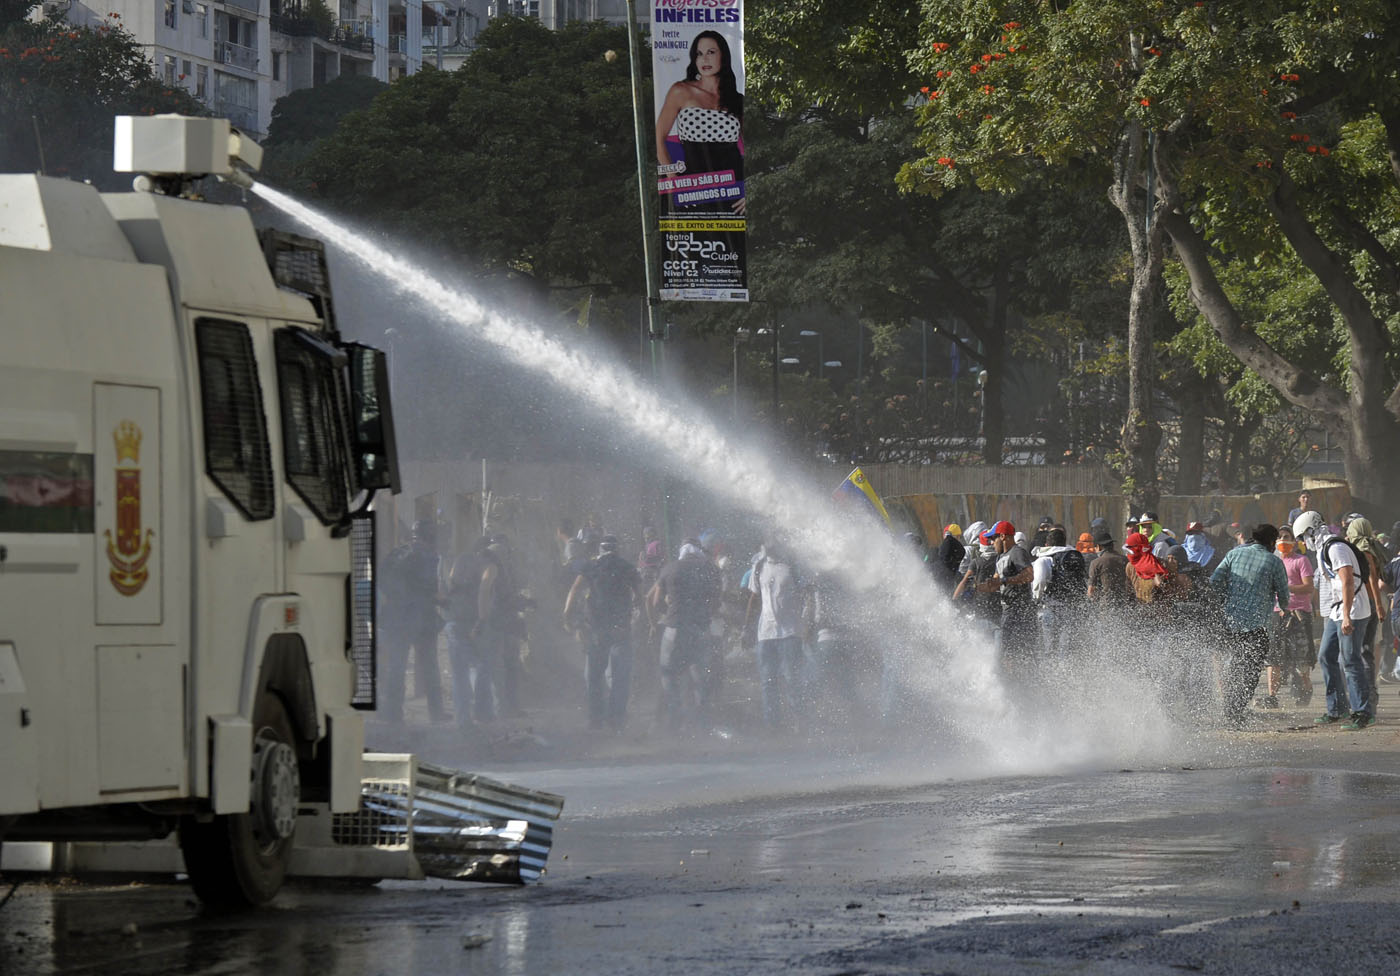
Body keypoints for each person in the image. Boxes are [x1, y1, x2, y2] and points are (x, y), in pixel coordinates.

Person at [1293, 511, 1374, 730]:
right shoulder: (1323, 548)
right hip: (1338, 610)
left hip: (1352, 609)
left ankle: (1363, 712)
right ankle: (1337, 708)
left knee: (1350, 660)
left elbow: (1348, 581)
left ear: (1311, 531)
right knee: (1326, 656)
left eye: (1302, 537)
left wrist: (1347, 615)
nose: (1302, 543)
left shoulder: (1335, 547)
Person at [654, 30, 746, 216]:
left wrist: (749, 189)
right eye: (699, 54)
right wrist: (674, 181)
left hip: (732, 189)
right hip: (692, 187)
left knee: (733, 244)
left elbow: (751, 147)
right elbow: (659, 138)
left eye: (711, 52)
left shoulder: (737, 99)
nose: (705, 59)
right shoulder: (681, 91)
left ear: (724, 56)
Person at [1209, 524, 1291, 728]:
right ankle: (1237, 710)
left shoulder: (1233, 554)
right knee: (1251, 671)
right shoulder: (1274, 562)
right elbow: (1284, 596)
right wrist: (1282, 604)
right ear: (1272, 542)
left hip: (1230, 623)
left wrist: (1227, 602)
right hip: (1257, 628)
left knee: (1234, 665)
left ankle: (1230, 708)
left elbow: (1215, 581)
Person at [565, 535, 643, 731]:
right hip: (620, 628)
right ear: (617, 549)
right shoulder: (626, 567)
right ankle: (616, 718)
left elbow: (574, 591)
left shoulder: (591, 567)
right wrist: (635, 619)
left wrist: (567, 616)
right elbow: (639, 597)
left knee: (593, 675)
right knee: (620, 675)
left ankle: (595, 719)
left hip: (596, 629)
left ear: (600, 549)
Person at [652, 538, 723, 730]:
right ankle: (702, 723)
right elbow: (717, 602)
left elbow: (655, 602)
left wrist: (667, 609)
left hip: (674, 628)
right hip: (700, 629)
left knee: (669, 674)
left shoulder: (670, 568)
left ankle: (675, 719)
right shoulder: (711, 569)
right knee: (700, 677)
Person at [380, 519, 445, 724]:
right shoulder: (429, 556)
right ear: (431, 535)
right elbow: (431, 587)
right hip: (421, 618)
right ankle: (436, 713)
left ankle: (393, 714)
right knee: (430, 666)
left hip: (396, 619)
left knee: (396, 667)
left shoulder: (397, 553)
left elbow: (382, 581)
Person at [744, 538, 806, 730]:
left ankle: (799, 723)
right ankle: (773, 726)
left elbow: (806, 594)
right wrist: (746, 628)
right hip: (766, 634)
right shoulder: (759, 566)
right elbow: (754, 598)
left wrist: (806, 624)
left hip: (790, 631)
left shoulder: (792, 565)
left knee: (792, 679)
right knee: (768, 681)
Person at [1266, 525, 1315, 708]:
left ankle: (1306, 689)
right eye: (1279, 537)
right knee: (1274, 657)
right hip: (1277, 613)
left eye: (1287, 537)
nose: (1282, 540)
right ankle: (1272, 697)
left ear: (1294, 542)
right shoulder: (1273, 562)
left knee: (1302, 656)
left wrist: (1285, 589)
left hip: (1299, 613)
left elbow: (1309, 587)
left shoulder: (1301, 561)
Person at [446, 537, 493, 727]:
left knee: (460, 672)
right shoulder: (487, 566)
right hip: (474, 623)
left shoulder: (460, 561)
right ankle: (482, 714)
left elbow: (450, 583)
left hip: (454, 620)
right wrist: (481, 621)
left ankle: (463, 718)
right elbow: (483, 592)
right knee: (481, 666)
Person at [1087, 531, 1132, 614]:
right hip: (1125, 605)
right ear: (1112, 546)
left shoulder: (1096, 563)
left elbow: (1091, 592)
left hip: (1106, 606)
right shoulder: (1125, 560)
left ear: (1098, 547)